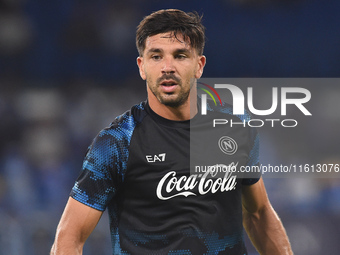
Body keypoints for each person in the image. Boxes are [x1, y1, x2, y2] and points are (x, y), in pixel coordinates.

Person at [50, 9, 293, 255]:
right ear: (142, 66)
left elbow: (258, 214)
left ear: (199, 65)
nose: (168, 67)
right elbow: (70, 237)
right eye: (156, 56)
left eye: (180, 56)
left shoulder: (237, 127)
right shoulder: (116, 143)